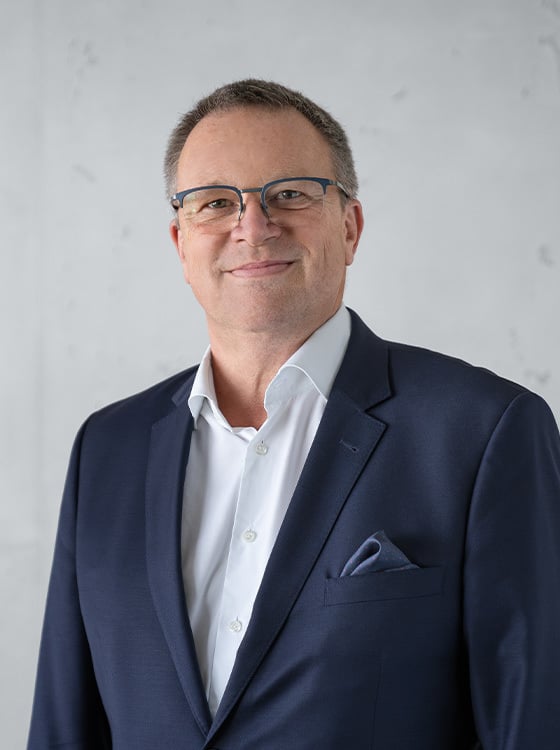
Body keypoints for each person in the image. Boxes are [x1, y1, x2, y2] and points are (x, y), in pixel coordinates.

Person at [28, 79, 560, 750]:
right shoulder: (108, 448)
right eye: (216, 202)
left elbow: (532, 723)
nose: (253, 226)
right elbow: (63, 726)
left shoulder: (483, 431)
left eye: (290, 194)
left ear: (350, 226)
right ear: (181, 243)